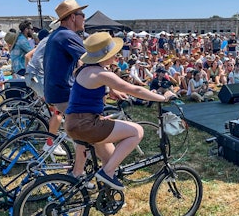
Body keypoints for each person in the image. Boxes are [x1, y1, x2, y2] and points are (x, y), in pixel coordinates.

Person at [64, 32, 175, 190]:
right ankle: (106, 173)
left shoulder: (84, 70)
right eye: (113, 53)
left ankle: (105, 193)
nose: (116, 55)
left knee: (111, 158)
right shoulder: (102, 74)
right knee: (137, 131)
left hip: (73, 122)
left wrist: (108, 91)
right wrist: (163, 98)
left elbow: (85, 92)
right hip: (86, 124)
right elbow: (133, 89)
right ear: (105, 55)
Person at [43, 0, 91, 176]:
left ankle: (81, 170)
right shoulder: (69, 36)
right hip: (63, 92)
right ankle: (78, 175)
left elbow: (80, 62)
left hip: (55, 91)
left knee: (81, 131)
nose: (84, 19)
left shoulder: (58, 34)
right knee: (87, 131)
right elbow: (91, 60)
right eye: (82, 15)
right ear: (72, 17)